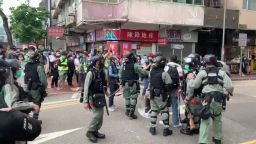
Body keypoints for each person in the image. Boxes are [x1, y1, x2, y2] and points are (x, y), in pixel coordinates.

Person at [187, 54, 233, 144]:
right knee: (217, 119)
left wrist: (190, 79)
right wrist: (226, 93)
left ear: (205, 62)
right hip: (218, 99)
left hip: (206, 100)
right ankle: (217, 138)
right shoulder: (221, 72)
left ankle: (203, 141)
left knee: (205, 120)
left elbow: (194, 86)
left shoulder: (202, 73)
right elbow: (230, 86)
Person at [82, 55, 108, 143]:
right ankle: (90, 132)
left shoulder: (100, 72)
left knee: (100, 115)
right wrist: (85, 101)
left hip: (100, 97)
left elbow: (103, 84)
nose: (102, 62)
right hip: (92, 98)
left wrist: (106, 92)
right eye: (100, 61)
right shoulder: (90, 73)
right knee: (97, 115)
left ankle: (95, 131)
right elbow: (86, 88)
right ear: (96, 62)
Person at [148, 56, 173, 136]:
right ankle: (166, 129)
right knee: (164, 110)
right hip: (162, 95)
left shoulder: (151, 71)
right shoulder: (164, 73)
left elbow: (150, 81)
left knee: (154, 110)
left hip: (152, 94)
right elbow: (169, 85)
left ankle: (152, 128)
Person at [119, 52, 147, 120]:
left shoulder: (123, 65)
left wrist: (121, 83)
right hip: (133, 84)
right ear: (132, 57)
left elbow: (120, 75)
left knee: (127, 97)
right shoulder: (135, 65)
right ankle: (131, 113)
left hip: (125, 84)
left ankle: (127, 111)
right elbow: (143, 72)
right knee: (133, 97)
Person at [24, 53, 48, 120]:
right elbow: (43, 80)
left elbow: (25, 76)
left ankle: (27, 118)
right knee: (37, 102)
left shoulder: (27, 65)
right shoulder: (39, 66)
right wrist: (44, 87)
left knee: (28, 102)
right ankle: (35, 119)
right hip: (36, 88)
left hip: (27, 86)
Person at [164, 55, 182, 128]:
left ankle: (166, 122)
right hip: (175, 88)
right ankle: (176, 123)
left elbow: (163, 76)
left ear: (170, 59)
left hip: (167, 88)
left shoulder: (166, 66)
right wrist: (179, 88)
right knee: (175, 106)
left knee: (166, 105)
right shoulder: (179, 67)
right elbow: (181, 78)